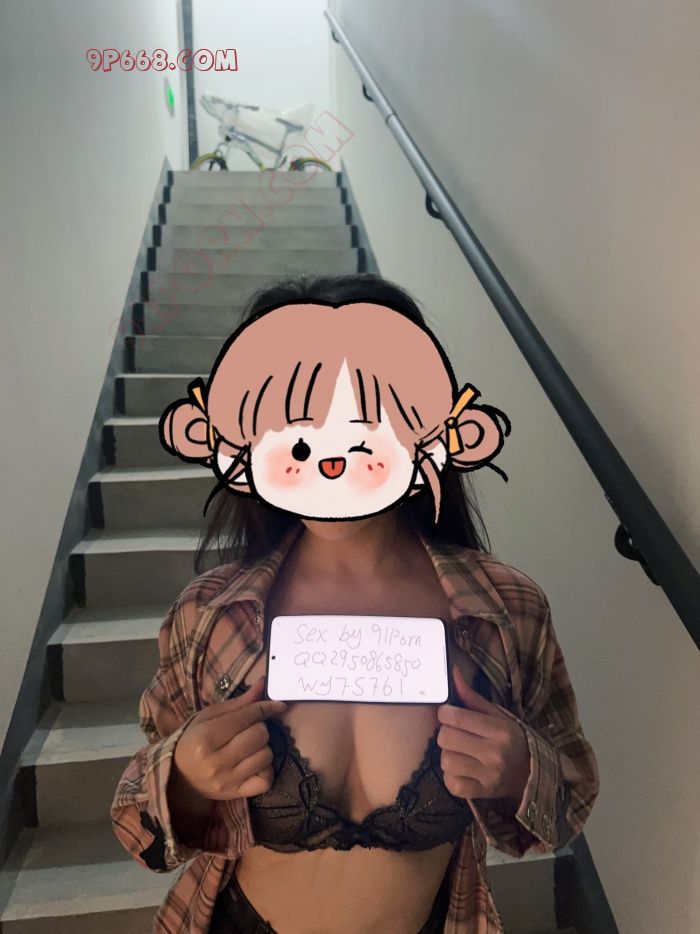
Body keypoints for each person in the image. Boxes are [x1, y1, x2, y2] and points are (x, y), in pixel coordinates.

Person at [111, 273, 599, 934]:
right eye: (298, 440)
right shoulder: (211, 616)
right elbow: (137, 821)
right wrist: (187, 777)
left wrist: (519, 770)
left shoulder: (505, 610)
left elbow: (572, 795)